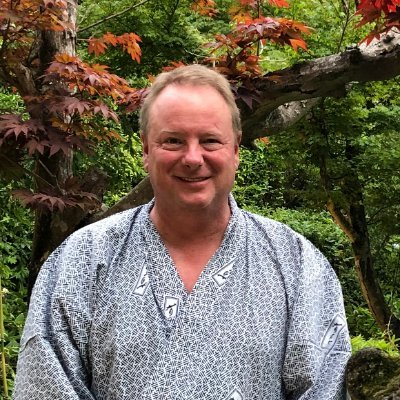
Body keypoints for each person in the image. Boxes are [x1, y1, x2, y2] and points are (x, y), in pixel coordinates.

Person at [13, 64, 351, 400]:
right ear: (146, 150)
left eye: (210, 141)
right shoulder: (83, 259)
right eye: (173, 141)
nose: (192, 158)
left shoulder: (296, 264)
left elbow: (325, 388)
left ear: (235, 149)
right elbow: (45, 386)